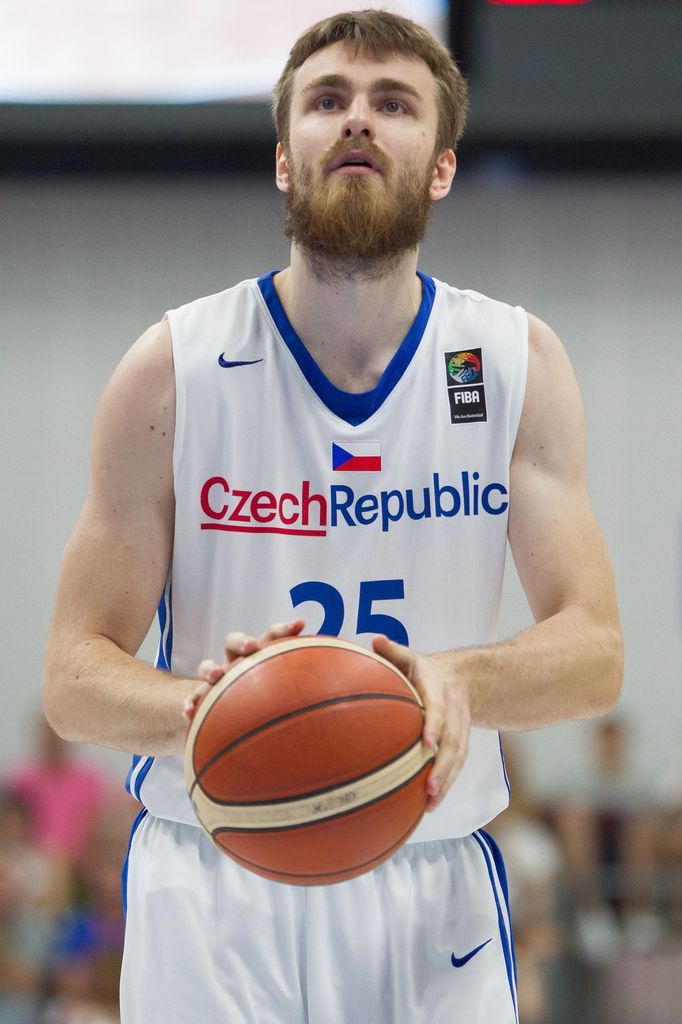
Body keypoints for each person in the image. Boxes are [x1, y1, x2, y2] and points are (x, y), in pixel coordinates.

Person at [43, 10, 623, 1023]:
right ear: (284, 157)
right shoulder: (173, 369)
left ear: (440, 166)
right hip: (212, 871)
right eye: (327, 100)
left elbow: (595, 650)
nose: (357, 120)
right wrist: (213, 708)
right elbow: (71, 675)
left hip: (429, 869)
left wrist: (457, 680)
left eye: (392, 103)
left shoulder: (508, 362)